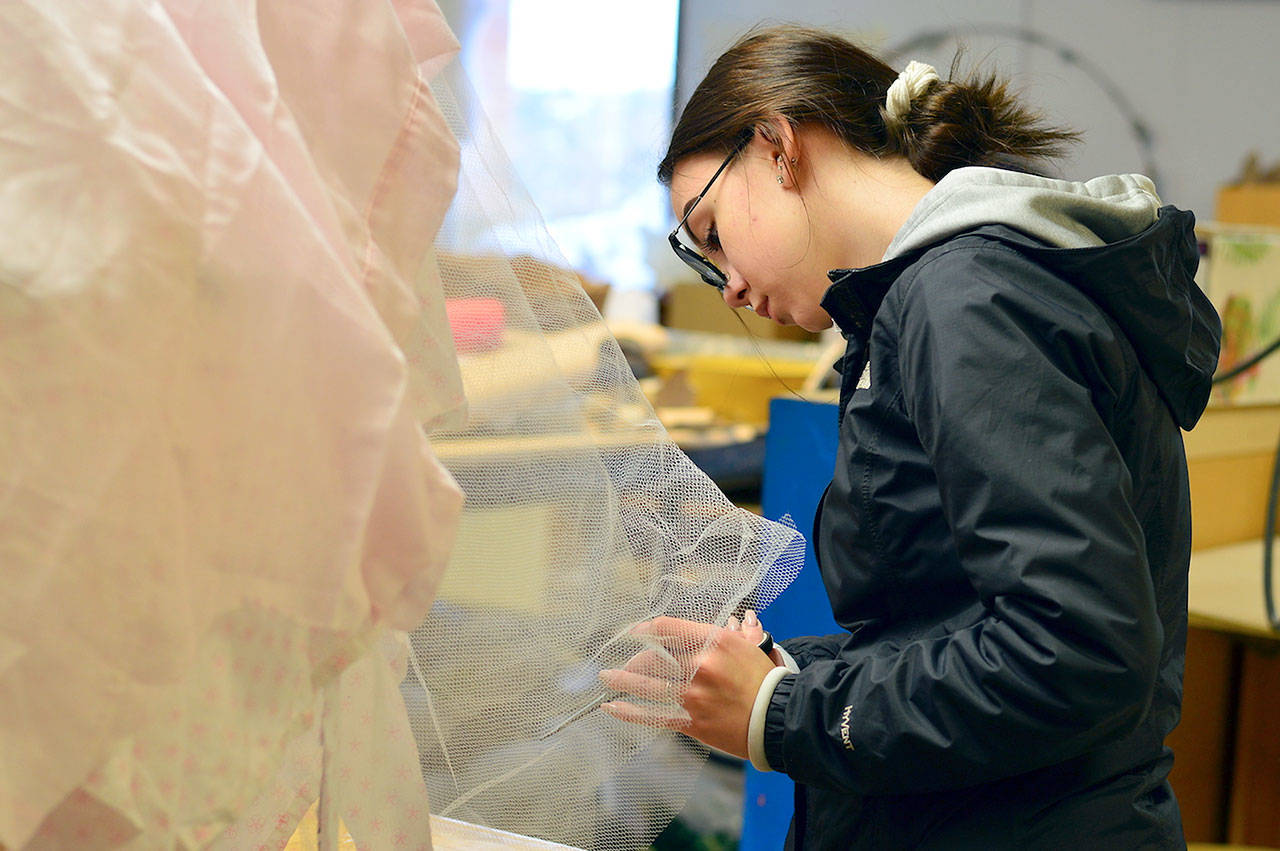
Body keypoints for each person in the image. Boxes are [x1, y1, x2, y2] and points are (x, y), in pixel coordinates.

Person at [599, 25, 1221, 850]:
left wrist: (783, 713)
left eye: (712, 234)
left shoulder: (965, 301)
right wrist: (789, 675)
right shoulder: (933, 300)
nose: (732, 288)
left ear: (779, 145)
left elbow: (1077, 649)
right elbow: (951, 623)